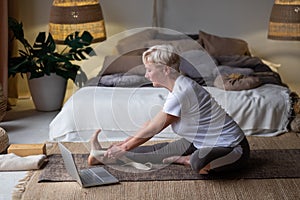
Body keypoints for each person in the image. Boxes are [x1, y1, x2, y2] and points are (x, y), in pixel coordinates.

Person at [88, 44, 250, 174]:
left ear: (166, 70)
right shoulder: (179, 87)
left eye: (149, 70)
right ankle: (100, 156)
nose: (146, 75)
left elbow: (154, 129)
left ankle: (186, 159)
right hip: (200, 143)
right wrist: (122, 145)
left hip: (232, 148)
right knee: (156, 151)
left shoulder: (182, 91)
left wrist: (123, 148)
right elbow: (151, 123)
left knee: (198, 163)